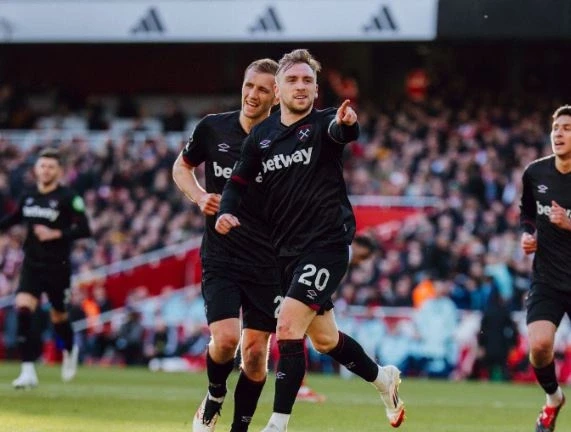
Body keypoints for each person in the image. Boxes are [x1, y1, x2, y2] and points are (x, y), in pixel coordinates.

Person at [216, 48, 405, 432]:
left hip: (327, 245)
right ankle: (382, 378)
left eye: (307, 81)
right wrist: (225, 211)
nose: (300, 86)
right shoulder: (261, 137)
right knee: (325, 340)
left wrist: (346, 125)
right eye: (292, 80)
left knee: (287, 327)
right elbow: (236, 183)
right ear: (278, 90)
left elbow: (342, 131)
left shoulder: (323, 124)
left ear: (317, 90)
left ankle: (278, 424)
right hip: (286, 252)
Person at [172, 58, 282, 432]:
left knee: (255, 354)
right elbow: (181, 167)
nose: (253, 95)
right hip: (222, 254)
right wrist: (199, 196)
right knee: (225, 340)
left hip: (268, 261)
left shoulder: (283, 139)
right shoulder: (212, 128)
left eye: (263, 89)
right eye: (249, 85)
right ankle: (215, 394)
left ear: (276, 96)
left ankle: (240, 428)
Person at [0, 147, 92, 388]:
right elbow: (15, 218)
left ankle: (69, 349)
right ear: (36, 169)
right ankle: (27, 370)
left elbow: (84, 229)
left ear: (59, 171)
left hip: (58, 267)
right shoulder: (29, 195)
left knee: (58, 316)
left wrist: (56, 233)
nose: (46, 170)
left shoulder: (69, 197)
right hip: (31, 264)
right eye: (42, 166)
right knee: (23, 309)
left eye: (51, 166)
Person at [520, 104, 571, 432]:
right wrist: (528, 234)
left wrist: (569, 223)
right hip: (548, 278)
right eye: (556, 128)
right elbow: (526, 211)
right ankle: (553, 399)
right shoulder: (535, 173)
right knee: (539, 347)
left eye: (567, 128)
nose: (559, 134)